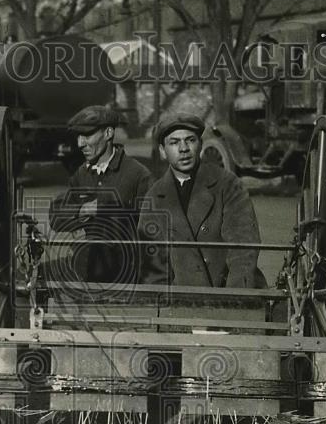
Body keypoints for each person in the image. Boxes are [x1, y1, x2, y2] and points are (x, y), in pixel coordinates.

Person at [138, 112, 262, 288]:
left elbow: (243, 249)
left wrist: (236, 302)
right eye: (174, 143)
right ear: (162, 151)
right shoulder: (155, 196)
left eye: (190, 140)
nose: (183, 149)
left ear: (201, 144)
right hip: (180, 300)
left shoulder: (228, 185)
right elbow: (152, 263)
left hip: (226, 294)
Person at [48, 104, 153, 290]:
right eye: (78, 137)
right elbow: (56, 217)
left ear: (108, 133)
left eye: (87, 135)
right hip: (90, 275)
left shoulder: (137, 174)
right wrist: (84, 209)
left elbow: (153, 228)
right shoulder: (82, 174)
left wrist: (110, 208)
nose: (80, 143)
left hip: (130, 278)